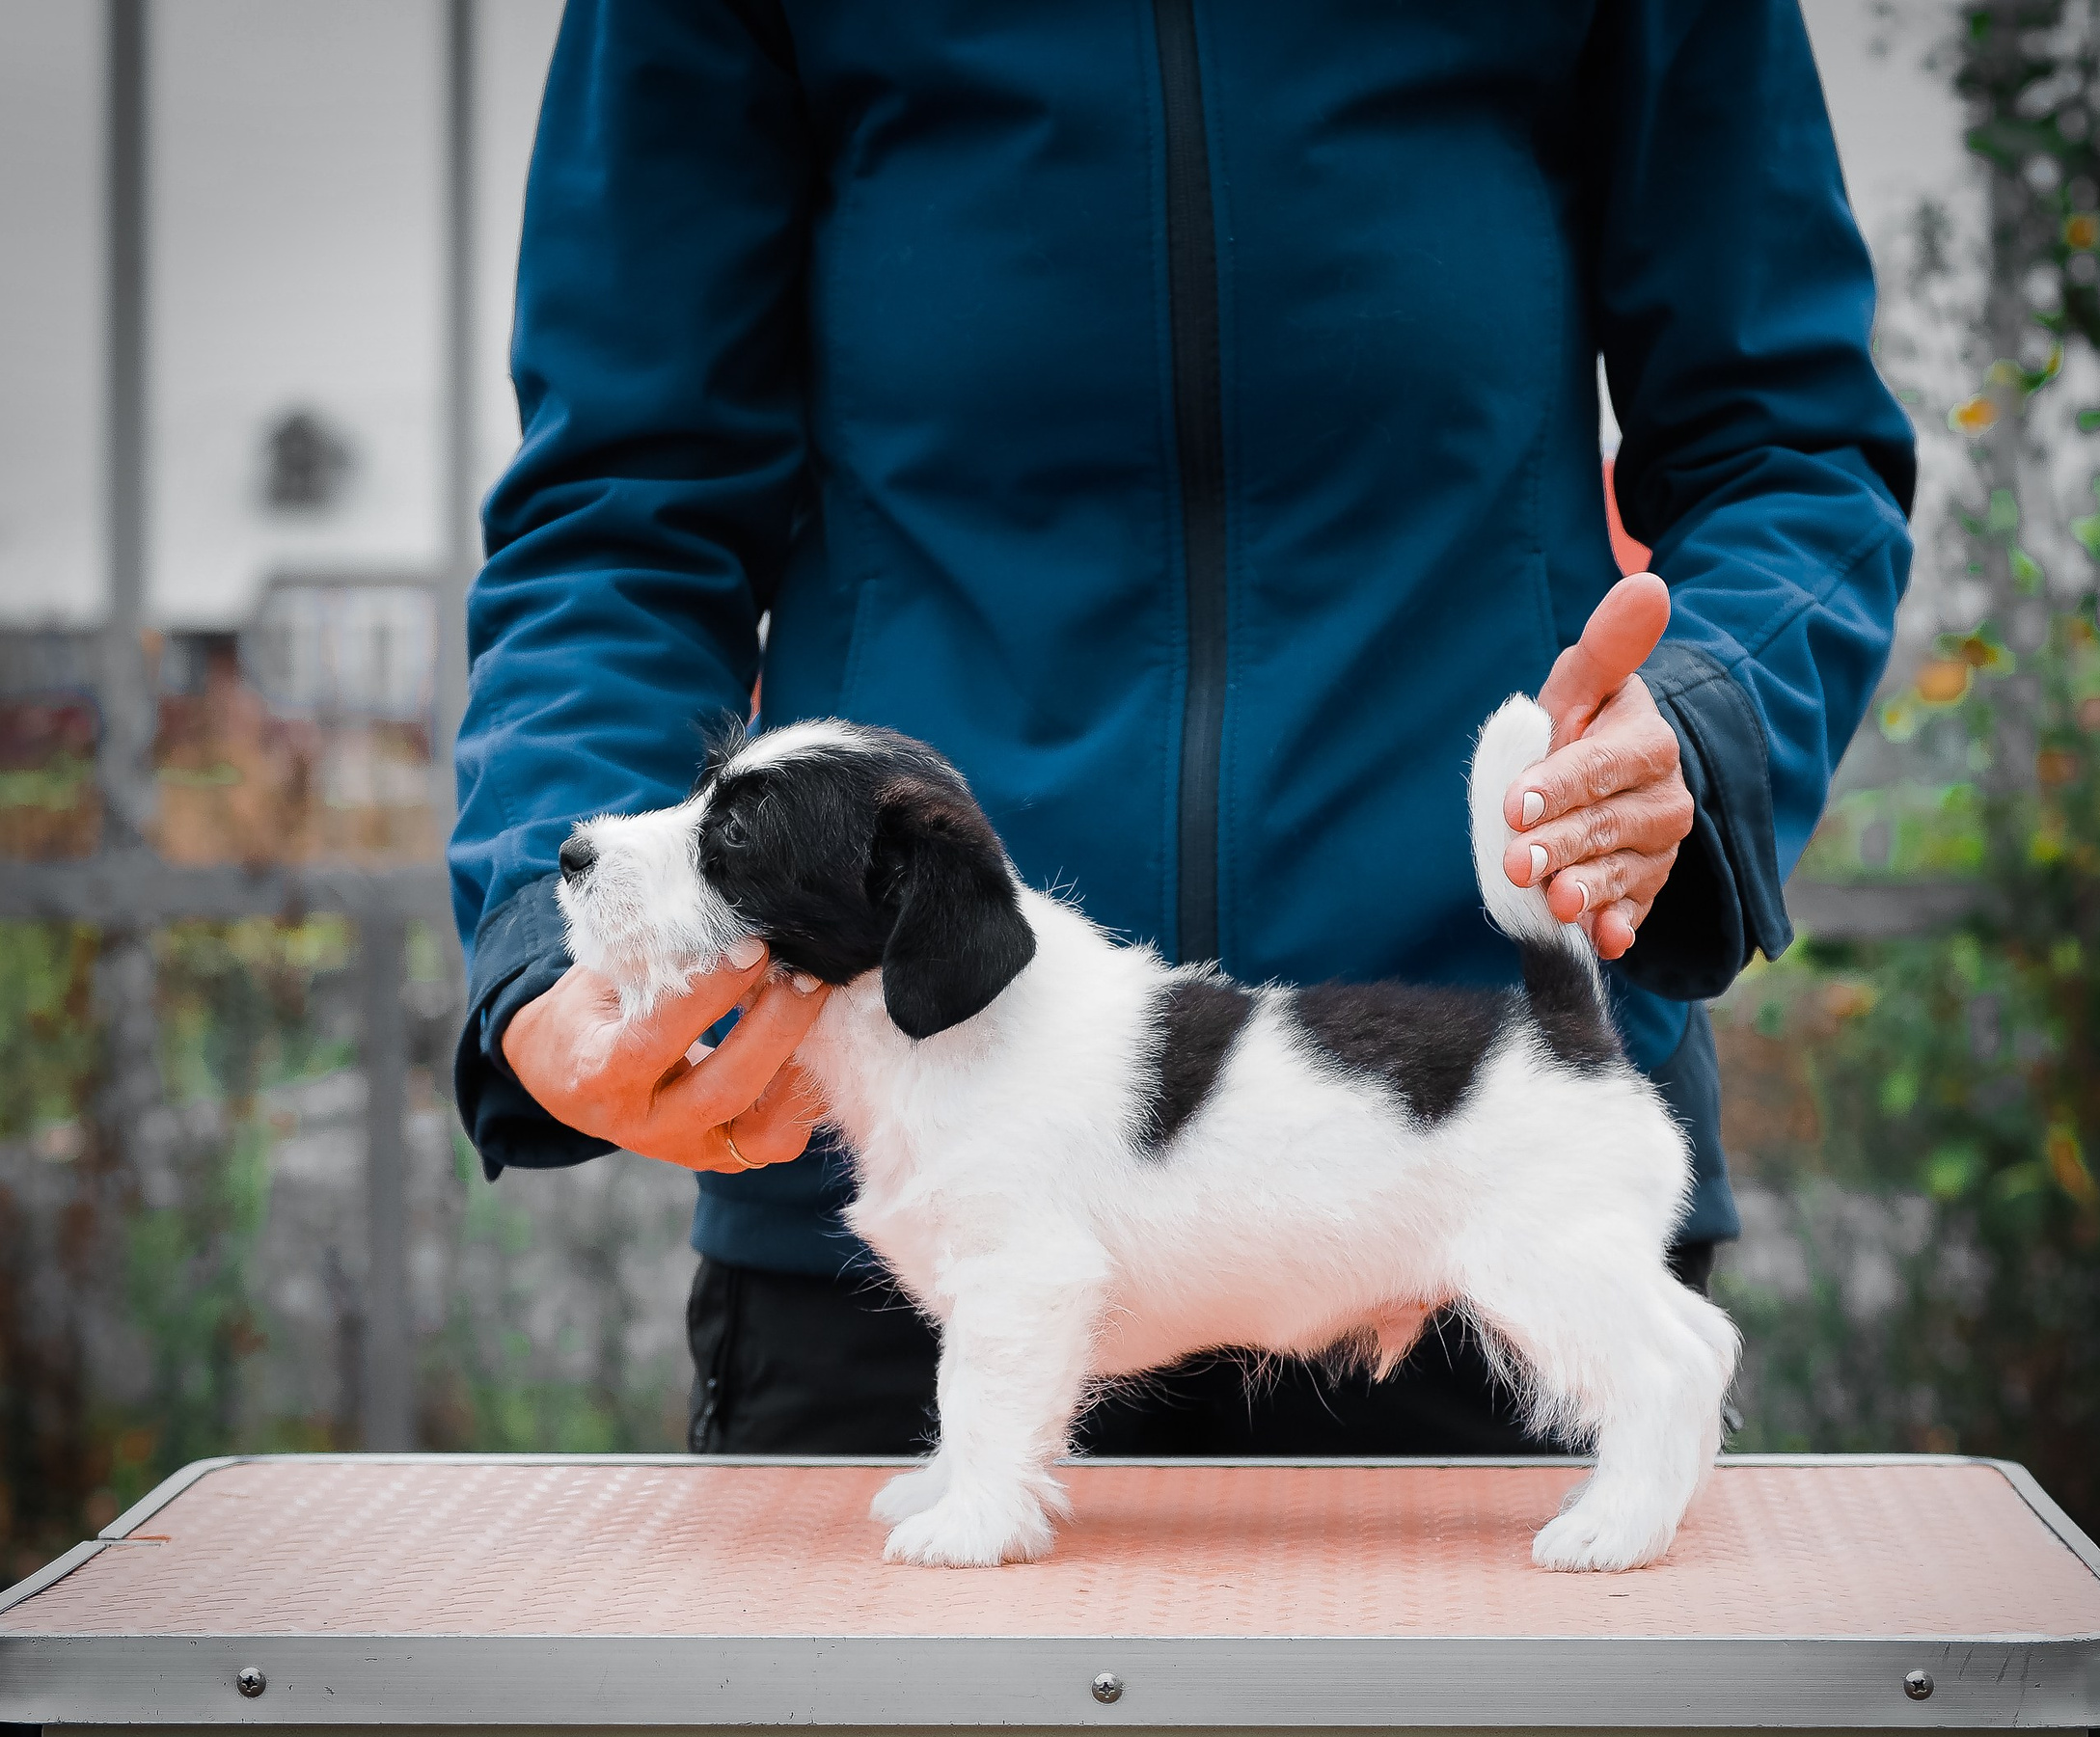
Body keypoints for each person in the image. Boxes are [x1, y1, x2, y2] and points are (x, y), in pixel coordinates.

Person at [450, 0, 1915, 1457]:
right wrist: (543, 937)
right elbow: (621, 513)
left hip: (1467, 1151)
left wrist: (1702, 727)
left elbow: (1788, 447)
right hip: (903, 1199)